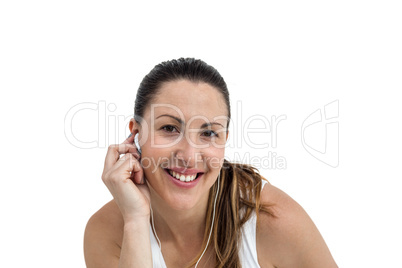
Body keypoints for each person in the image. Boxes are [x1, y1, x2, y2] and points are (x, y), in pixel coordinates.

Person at [84, 58, 338, 268]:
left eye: (208, 133)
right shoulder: (109, 231)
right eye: (170, 128)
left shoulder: (273, 222)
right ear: (136, 133)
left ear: (225, 140)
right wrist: (136, 221)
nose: (189, 155)